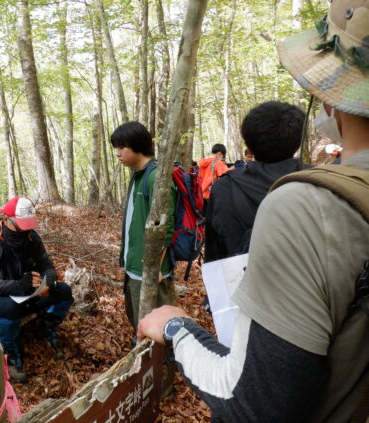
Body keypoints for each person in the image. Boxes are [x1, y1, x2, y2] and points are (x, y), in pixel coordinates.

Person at [137, 0, 369, 421]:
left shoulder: (305, 205)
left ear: (331, 94)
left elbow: (254, 402)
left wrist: (176, 327)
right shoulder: (316, 184)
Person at [0, 196, 73, 382]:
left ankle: (46, 330)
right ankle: (10, 355)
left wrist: (47, 283)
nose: (25, 230)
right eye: (21, 225)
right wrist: (19, 285)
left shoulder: (31, 237)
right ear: (6, 219)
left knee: (63, 291)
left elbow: (46, 264)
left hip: (26, 293)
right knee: (11, 307)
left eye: (28, 225)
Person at [205, 101, 306, 262]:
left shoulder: (224, 188)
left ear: (248, 147)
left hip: (244, 275)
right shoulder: (321, 180)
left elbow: (214, 254)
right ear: (299, 141)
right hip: (308, 275)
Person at [110, 121, 175, 334]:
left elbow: (166, 227)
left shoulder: (155, 177)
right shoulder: (137, 175)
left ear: (137, 145)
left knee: (156, 328)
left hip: (149, 271)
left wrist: (156, 267)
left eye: (122, 147)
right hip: (135, 267)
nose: (118, 153)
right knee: (138, 321)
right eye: (116, 147)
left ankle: (158, 357)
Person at [198, 144, 229, 211]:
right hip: (213, 195)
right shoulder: (218, 162)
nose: (223, 159)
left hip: (202, 194)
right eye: (223, 156)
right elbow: (226, 176)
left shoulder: (203, 163)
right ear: (220, 154)